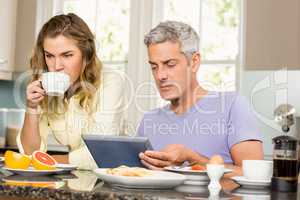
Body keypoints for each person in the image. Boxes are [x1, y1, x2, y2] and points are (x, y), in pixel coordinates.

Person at [138, 21, 263, 174]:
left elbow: (256, 176)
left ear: (194, 62)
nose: (160, 75)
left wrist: (193, 159)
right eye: (154, 67)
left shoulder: (232, 106)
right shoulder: (149, 120)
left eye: (170, 64)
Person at [17, 13, 124, 170]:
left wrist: (49, 162)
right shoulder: (47, 86)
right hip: (77, 178)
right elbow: (31, 153)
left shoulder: (110, 81)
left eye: (67, 55)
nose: (56, 65)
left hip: (112, 180)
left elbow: (100, 152)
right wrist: (32, 108)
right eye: (49, 56)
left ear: (86, 54)